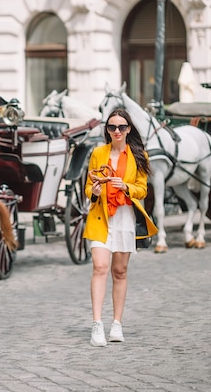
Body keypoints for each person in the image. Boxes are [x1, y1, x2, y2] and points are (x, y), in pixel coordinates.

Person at [83, 107, 156, 347]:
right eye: (112, 126)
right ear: (107, 129)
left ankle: (116, 323)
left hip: (124, 216)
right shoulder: (97, 153)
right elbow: (88, 186)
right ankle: (97, 325)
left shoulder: (139, 156)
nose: (117, 131)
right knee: (100, 267)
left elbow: (142, 189)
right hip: (100, 216)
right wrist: (93, 192)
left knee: (120, 271)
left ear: (129, 129)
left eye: (121, 127)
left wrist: (125, 187)